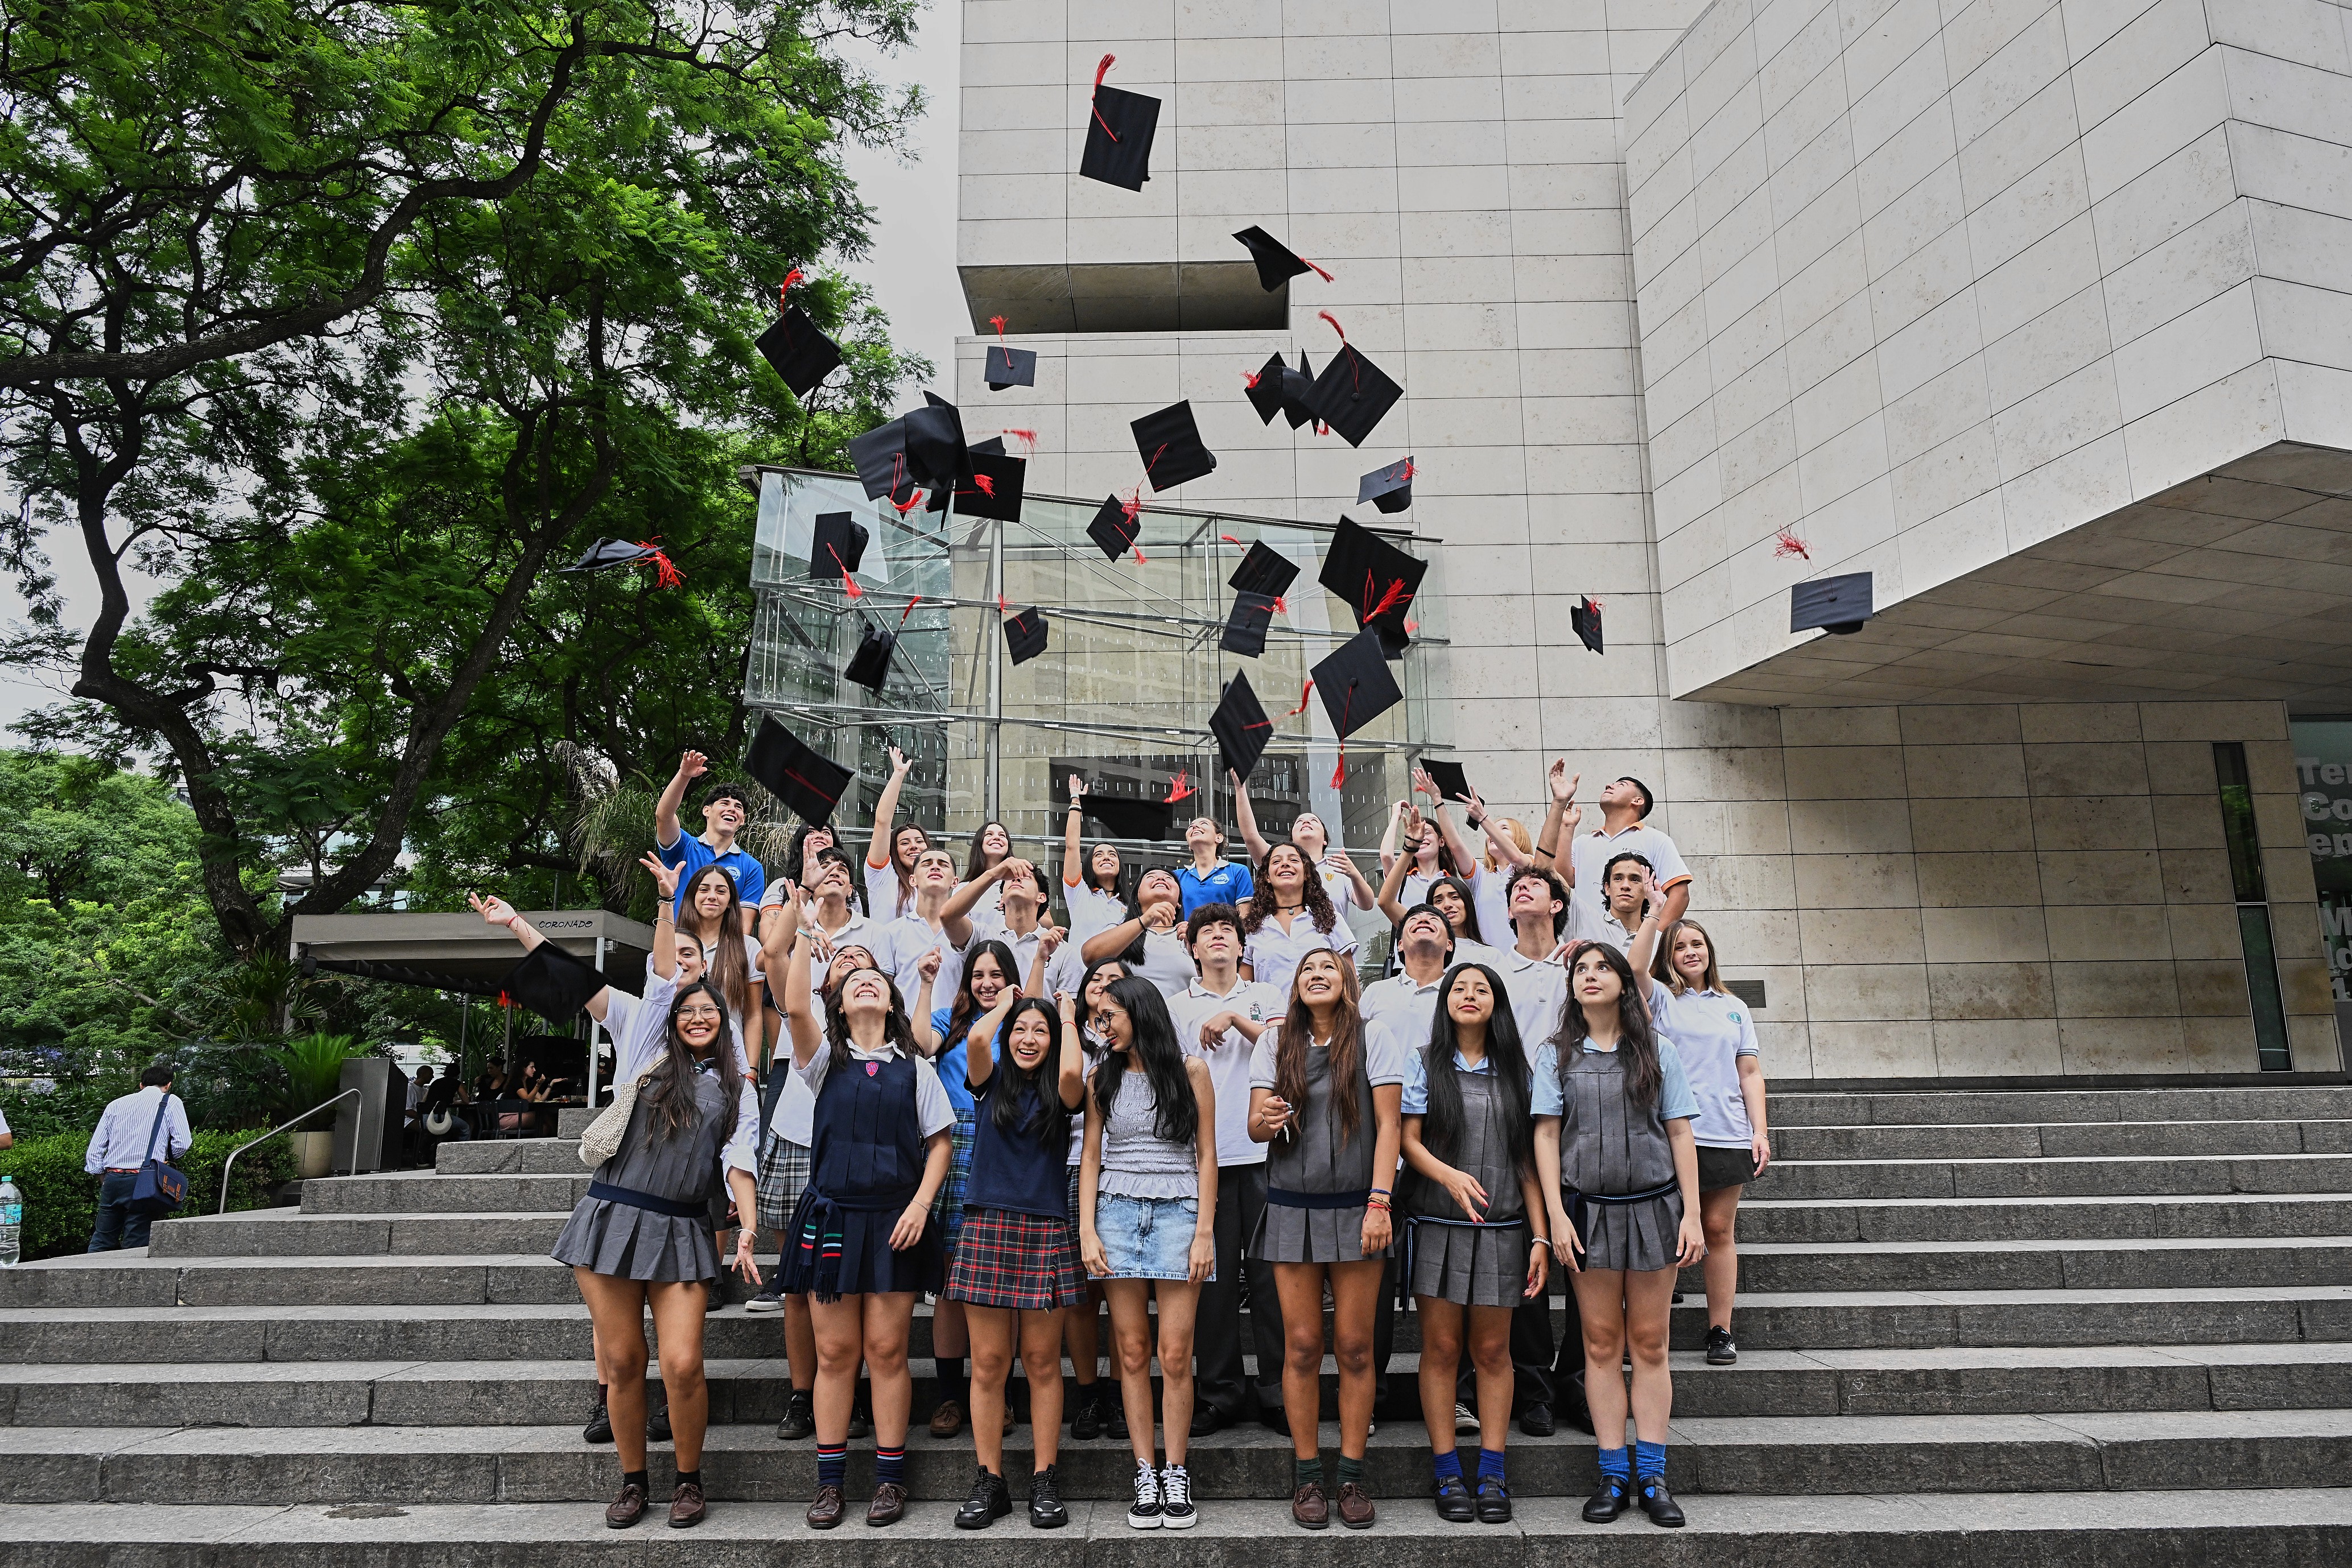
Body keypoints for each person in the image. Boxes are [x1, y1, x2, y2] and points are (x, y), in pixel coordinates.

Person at [472, 884, 746, 1447]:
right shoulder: (638, 1014)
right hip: (624, 1185)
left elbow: (741, 1116)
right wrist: (517, 923)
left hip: (686, 1185)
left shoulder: (723, 1041)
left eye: (695, 957)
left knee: (678, 1345)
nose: (684, 964)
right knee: (617, 1331)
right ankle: (608, 1399)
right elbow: (573, 976)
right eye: (676, 954)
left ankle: (674, 1406)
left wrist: (744, 1195)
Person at [548, 905, 761, 1529]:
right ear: (673, 1016)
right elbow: (654, 976)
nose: (698, 1016)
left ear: (724, 1024)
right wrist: (668, 905)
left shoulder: (737, 1085)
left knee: (683, 1362)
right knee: (620, 1362)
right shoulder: (644, 1042)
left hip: (682, 1229)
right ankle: (634, 1480)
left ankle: (690, 1479)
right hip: (612, 1216)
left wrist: (746, 1225)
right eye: (689, 1010)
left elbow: (740, 1161)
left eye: (710, 1012)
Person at [778, 946, 954, 1529]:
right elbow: (795, 1006)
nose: (866, 985)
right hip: (833, 1218)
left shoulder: (916, 1067)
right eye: (855, 982)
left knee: (887, 1351)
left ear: (892, 1000)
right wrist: (801, 934)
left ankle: (889, 1478)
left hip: (896, 1222)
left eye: (876, 980)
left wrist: (920, 1205)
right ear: (839, 1002)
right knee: (834, 1353)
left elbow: (940, 1143)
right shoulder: (823, 1058)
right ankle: (829, 1484)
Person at [1536, 940, 1706, 1530]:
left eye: (1601, 966)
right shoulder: (1556, 1055)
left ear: (1624, 983)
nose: (1589, 975)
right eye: (1580, 969)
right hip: (1589, 1212)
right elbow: (1547, 1138)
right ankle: (1613, 1472)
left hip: (1655, 1206)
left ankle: (1653, 1473)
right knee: (1601, 1346)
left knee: (1652, 1343)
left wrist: (1691, 1213)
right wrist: (1556, 1214)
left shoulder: (1657, 1050)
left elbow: (1681, 1133)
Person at [1248, 948, 1407, 1532]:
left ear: (1347, 983)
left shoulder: (1374, 1036)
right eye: (1307, 969)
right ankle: (1309, 1472)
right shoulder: (1274, 1041)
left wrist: (1379, 1200)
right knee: (1302, 1345)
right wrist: (1266, 1116)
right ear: (1295, 984)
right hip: (1292, 1205)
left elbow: (1389, 1123)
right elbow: (1254, 1126)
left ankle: (1352, 1476)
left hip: (1358, 1205)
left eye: (1329, 968)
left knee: (1357, 1346)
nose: (1317, 975)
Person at [1401, 964, 1549, 1524]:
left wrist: (1540, 1234)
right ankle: (1445, 1470)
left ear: (1497, 1003)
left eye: (1481, 988)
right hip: (1439, 1225)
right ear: (1444, 1001)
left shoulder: (1518, 1070)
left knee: (1492, 1353)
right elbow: (1408, 1141)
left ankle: (1491, 1468)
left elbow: (1527, 1162)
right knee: (1441, 1350)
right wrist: (1448, 1174)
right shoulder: (1424, 1060)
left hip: (1503, 1229)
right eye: (1459, 987)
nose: (1468, 995)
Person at [947, 990, 1090, 1530]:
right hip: (987, 1223)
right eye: (1022, 1031)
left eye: (1041, 1032)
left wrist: (1068, 1019)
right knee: (987, 1364)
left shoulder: (1061, 1090)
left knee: (1041, 1362)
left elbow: (1074, 1074)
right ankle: (990, 1480)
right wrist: (1011, 1000)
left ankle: (1044, 1478)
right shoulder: (989, 1082)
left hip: (1046, 1224)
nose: (1029, 1039)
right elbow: (979, 1037)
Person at [1079, 976, 1218, 1530]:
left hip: (1180, 1210)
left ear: (1141, 1011)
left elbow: (1208, 1154)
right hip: (1115, 1210)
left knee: (1176, 1352)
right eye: (1097, 1017)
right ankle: (1145, 1469)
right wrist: (1087, 1230)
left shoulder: (1191, 1070)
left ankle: (1177, 1469)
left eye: (1109, 1015)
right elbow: (1091, 1154)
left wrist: (1205, 1230)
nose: (1102, 1025)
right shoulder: (1100, 1075)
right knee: (1132, 1351)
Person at [757, 922, 886, 1445]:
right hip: (797, 1142)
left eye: (865, 958)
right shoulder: (805, 1011)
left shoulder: (886, 1034)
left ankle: (849, 1392)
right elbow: (774, 959)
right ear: (827, 981)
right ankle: (801, 1395)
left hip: (856, 1160)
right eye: (844, 958)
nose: (853, 962)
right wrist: (806, 929)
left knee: (849, 1281)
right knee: (798, 1287)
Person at [1632, 888, 1770, 1367]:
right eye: (1681, 947)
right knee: (1667, 1229)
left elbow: (1749, 1072)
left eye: (1698, 945)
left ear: (1709, 953)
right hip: (1673, 1131)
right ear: (1669, 957)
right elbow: (1632, 971)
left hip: (1727, 1131)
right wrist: (1654, 915)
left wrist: (1761, 1131)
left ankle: (1721, 1330)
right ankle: (1651, 1333)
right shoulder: (1663, 1001)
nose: (1691, 952)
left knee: (1717, 1228)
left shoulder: (1733, 1007)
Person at [1163, 902, 1284, 1433]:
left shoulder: (1265, 997)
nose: (1217, 937)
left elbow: (1290, 1052)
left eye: (1226, 931)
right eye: (1206, 932)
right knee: (1210, 1286)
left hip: (1263, 1158)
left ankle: (1279, 1391)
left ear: (1241, 945)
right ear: (1192, 948)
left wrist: (1236, 1018)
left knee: (1271, 1283)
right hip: (1201, 1163)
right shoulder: (1173, 1006)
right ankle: (1220, 1392)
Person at [911, 935, 1025, 1438]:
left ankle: (997, 1394)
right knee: (952, 1283)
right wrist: (927, 983)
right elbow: (920, 1044)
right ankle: (951, 1397)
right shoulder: (950, 1022)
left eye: (996, 975)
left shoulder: (1021, 1021)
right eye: (979, 975)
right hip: (954, 1145)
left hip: (1004, 1146)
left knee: (1001, 1279)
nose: (986, 983)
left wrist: (1012, 1003)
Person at [1489, 866, 1579, 1437]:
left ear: (1558, 902)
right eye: (1514, 888)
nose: (1522, 888)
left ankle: (1577, 1379)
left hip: (1579, 1118)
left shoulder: (1582, 965)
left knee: (1588, 1258)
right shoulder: (1494, 966)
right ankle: (1533, 1386)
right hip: (1512, 1119)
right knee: (1528, 1254)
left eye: (1535, 884)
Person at [1060, 954, 1130, 1440]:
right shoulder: (1069, 1039)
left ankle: (1122, 1394)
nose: (1104, 986)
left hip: (1130, 1172)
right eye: (1097, 979)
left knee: (1125, 1295)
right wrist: (1067, 1025)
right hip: (1071, 1167)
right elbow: (1064, 1094)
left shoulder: (1143, 1042)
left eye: (1116, 981)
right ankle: (1088, 1395)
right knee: (1082, 1297)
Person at [1537, 763, 1692, 938]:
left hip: (1632, 943)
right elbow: (1562, 882)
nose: (1608, 786)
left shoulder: (1656, 839)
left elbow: (1680, 895)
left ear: (1637, 801)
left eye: (1621, 785)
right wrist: (1566, 828)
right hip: (1584, 944)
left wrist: (1651, 941)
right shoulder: (1582, 842)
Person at [1232, 771, 1378, 919]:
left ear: (1324, 840)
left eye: (1314, 821)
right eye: (1299, 822)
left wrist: (1354, 874)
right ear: (1292, 840)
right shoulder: (1279, 862)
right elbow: (1251, 837)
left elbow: (1367, 904)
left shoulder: (1338, 869)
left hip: (1331, 941)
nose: (1306, 822)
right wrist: (1240, 788)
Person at [84, 1060, 192, 1252]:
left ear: (141, 1085)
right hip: (145, 1181)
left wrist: (104, 1176)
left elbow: (94, 1152)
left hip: (113, 1179)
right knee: (137, 1242)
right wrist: (166, 1158)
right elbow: (182, 1143)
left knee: (102, 1239)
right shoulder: (170, 1101)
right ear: (168, 1086)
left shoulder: (116, 1105)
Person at [654, 750, 765, 927]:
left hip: (722, 951)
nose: (732, 809)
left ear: (742, 820)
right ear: (707, 811)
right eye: (724, 803)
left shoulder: (752, 868)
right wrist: (684, 775)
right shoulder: (684, 847)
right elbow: (664, 816)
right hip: (677, 946)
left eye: (738, 807)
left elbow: (744, 927)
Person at [1240, 842, 1357, 1000]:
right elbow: (1245, 990)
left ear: (1306, 873)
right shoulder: (1252, 928)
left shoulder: (1330, 920)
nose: (1285, 864)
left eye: (1294, 860)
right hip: (1272, 1021)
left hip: (1326, 1021)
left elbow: (1351, 982)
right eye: (1276, 861)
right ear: (1267, 876)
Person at [877, 844, 979, 1014]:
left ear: (955, 882)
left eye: (943, 864)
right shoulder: (891, 933)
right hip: (906, 1033)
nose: (935, 867)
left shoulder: (971, 933)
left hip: (957, 1032)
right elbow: (884, 991)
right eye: (927, 864)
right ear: (913, 880)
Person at [1078, 866, 1198, 996]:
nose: (1161, 878)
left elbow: (1216, 981)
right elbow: (1090, 957)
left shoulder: (1191, 936)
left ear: (1179, 901)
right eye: (1151, 877)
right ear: (1137, 898)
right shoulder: (1119, 932)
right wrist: (1144, 921)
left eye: (1169, 878)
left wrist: (1197, 947)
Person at [1059, 776, 1129, 946]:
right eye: (1099, 855)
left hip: (1119, 973)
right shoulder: (1079, 894)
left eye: (1113, 855)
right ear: (1089, 865)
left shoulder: (1130, 906)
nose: (1106, 857)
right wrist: (1076, 801)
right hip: (1081, 973)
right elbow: (1072, 846)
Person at [861, 745, 925, 919]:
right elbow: (882, 821)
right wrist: (898, 774)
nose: (914, 847)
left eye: (919, 842)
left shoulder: (934, 883)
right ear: (893, 850)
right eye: (905, 843)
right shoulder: (883, 876)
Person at [1379, 797, 1462, 910]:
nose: (1421, 837)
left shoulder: (1452, 882)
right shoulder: (1403, 879)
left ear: (1441, 841)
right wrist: (1395, 816)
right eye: (1417, 835)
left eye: (1427, 832)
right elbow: (1386, 856)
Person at [1175, 814, 1253, 918]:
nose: (1194, 827)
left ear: (1219, 838)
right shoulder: (1176, 877)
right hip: (1187, 935)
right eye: (1191, 826)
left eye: (1204, 823)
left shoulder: (1238, 871)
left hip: (1224, 934)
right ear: (1189, 845)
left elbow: (1244, 917)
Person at [959, 820, 1016, 933]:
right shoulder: (964, 888)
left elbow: (1047, 923)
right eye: (989, 834)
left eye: (1002, 835)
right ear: (979, 843)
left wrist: (1020, 904)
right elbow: (957, 928)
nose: (997, 838)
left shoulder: (1020, 883)